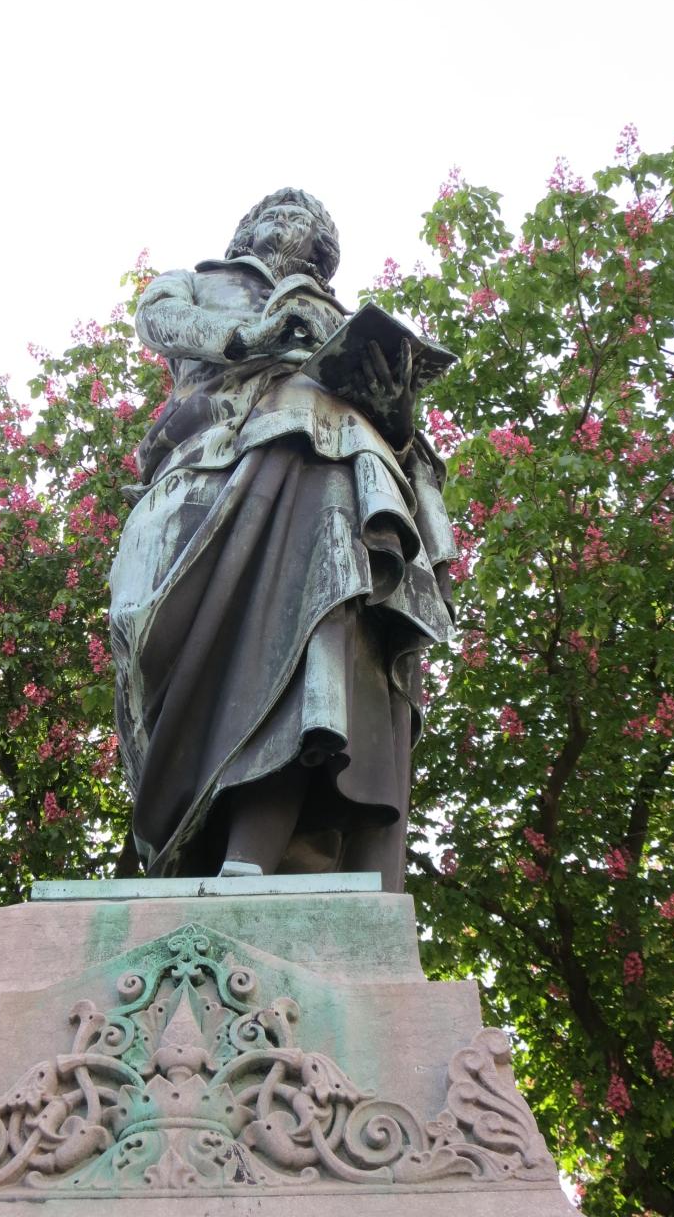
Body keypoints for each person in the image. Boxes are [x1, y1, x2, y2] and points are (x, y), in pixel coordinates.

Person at [108, 189, 456, 891]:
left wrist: (394, 411)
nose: (292, 225)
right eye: (276, 214)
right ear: (247, 231)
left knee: (317, 635)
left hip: (332, 475)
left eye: (309, 223)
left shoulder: (341, 320)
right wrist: (255, 336)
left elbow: (401, 442)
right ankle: (193, 836)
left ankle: (254, 850)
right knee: (175, 645)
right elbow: (160, 319)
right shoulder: (202, 282)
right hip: (213, 471)